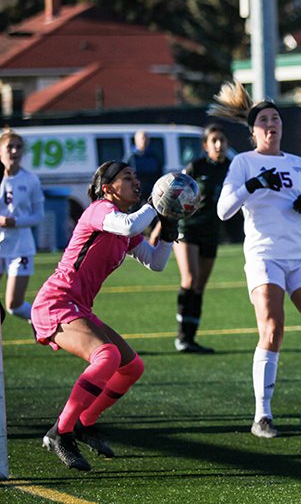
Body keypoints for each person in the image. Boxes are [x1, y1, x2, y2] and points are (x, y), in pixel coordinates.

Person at [212, 81, 301, 439]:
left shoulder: (300, 165)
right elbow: (223, 211)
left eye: (276, 119)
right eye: (264, 120)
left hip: (300, 254)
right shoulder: (243, 163)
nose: (272, 124)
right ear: (253, 132)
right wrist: (252, 185)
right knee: (272, 329)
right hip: (264, 253)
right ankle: (262, 416)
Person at [33, 161, 176, 471]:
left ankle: (84, 422)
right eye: (128, 177)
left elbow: (156, 263)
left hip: (78, 307)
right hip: (56, 302)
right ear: (108, 188)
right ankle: (61, 432)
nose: (136, 182)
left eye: (137, 176)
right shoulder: (100, 210)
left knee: (131, 367)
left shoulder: (125, 223)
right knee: (107, 356)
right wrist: (155, 204)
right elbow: (130, 226)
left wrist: (168, 230)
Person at [171, 125, 231, 353]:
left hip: (211, 231)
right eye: (214, 140)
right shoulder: (197, 166)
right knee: (190, 278)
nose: (219, 144)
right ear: (206, 145)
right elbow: (173, 193)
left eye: (222, 140)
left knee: (200, 286)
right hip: (188, 228)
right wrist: (161, 225)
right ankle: (181, 337)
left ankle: (190, 338)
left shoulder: (232, 168)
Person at [0, 129, 44, 329]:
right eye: (10, 146)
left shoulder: (30, 179)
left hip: (21, 247)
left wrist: (14, 222)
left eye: (18, 147)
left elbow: (39, 216)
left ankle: (44, 322)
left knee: (14, 305)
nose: (14, 151)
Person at [125, 130, 163, 206]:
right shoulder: (131, 156)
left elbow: (160, 171)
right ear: (136, 140)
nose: (145, 141)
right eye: (142, 138)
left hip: (151, 189)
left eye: (147, 139)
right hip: (136, 189)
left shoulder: (154, 155)